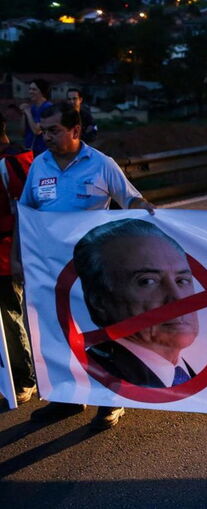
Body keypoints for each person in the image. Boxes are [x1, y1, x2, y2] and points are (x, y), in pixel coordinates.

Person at [15, 102, 155, 430]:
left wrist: (143, 206)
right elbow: (26, 212)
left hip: (93, 269)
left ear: (75, 130)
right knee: (55, 334)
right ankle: (66, 397)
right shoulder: (39, 166)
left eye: (53, 130)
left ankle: (111, 400)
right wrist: (18, 257)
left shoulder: (101, 164)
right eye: (43, 130)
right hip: (49, 269)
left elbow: (129, 199)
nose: (45, 136)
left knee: (102, 335)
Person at [73, 219, 199, 389]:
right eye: (148, 281)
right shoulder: (95, 371)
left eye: (182, 280)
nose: (177, 299)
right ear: (100, 301)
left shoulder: (193, 374)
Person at [0, 117, 36, 406]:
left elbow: (22, 211)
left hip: (6, 253)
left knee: (11, 315)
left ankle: (25, 380)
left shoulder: (11, 163)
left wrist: (17, 257)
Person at [19, 79, 54, 156]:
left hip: (42, 152)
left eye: (34, 89)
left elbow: (37, 131)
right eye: (30, 89)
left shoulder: (48, 107)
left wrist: (28, 113)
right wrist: (24, 114)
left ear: (42, 92)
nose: (30, 92)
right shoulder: (32, 108)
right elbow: (22, 133)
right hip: (29, 151)